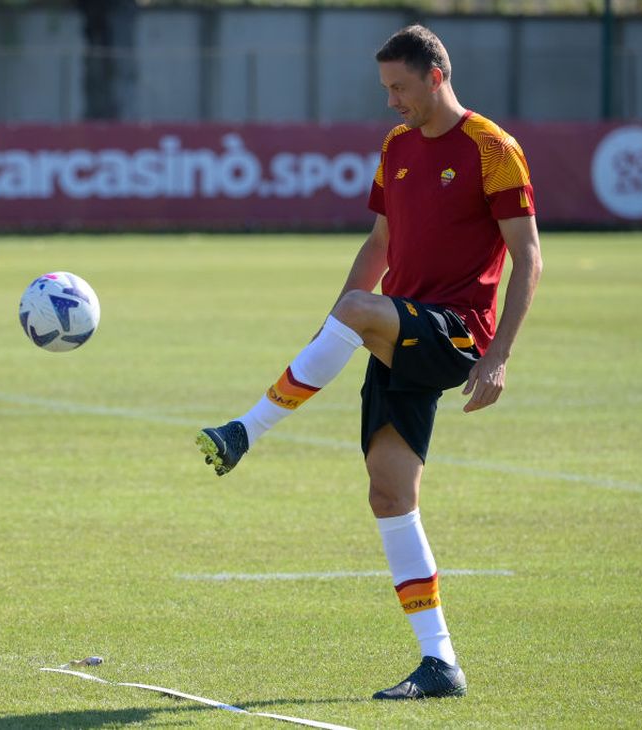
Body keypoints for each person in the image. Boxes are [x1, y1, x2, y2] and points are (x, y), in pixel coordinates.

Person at [196, 24, 542, 700]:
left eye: (399, 88)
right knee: (390, 493)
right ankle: (440, 663)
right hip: (400, 328)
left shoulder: (493, 149)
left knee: (359, 310)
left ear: (435, 76)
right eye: (386, 88)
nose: (390, 101)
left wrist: (498, 356)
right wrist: (339, 321)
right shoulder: (396, 147)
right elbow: (380, 240)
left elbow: (528, 256)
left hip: (456, 332)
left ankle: (246, 430)